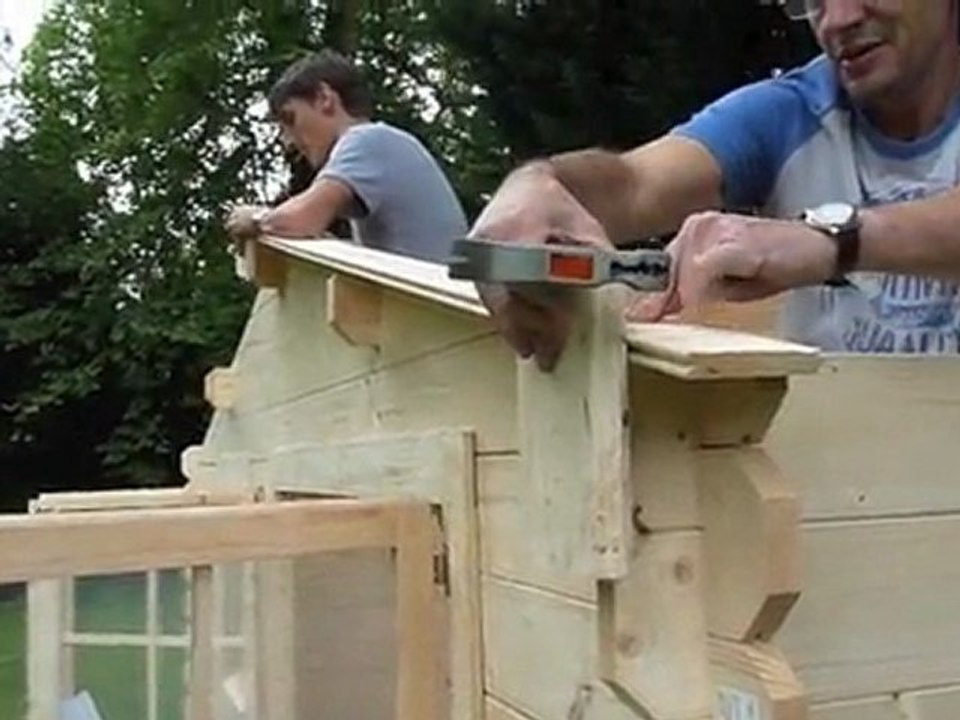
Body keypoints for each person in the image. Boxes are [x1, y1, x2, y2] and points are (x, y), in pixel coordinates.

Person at [472, 0, 960, 371]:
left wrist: (830, 239)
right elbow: (634, 182)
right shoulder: (790, 112)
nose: (836, 20)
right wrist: (538, 186)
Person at [226, 50, 467, 263]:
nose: (288, 141)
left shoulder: (365, 139)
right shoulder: (384, 143)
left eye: (290, 119)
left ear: (324, 98)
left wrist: (256, 218)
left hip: (432, 308)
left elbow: (299, 220)